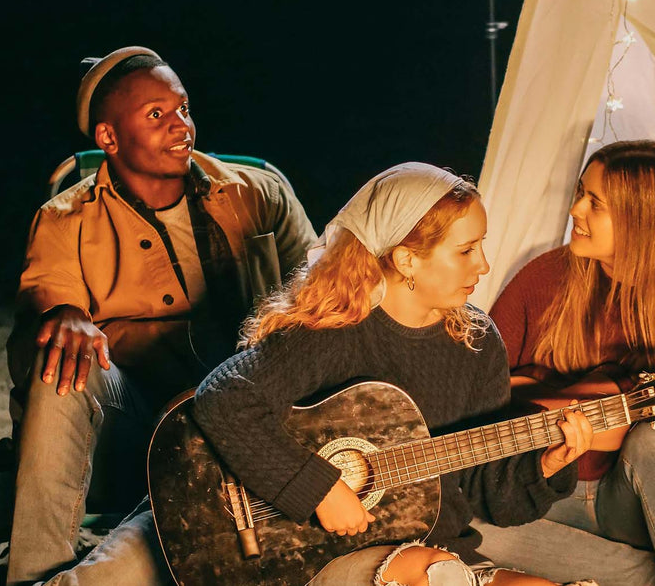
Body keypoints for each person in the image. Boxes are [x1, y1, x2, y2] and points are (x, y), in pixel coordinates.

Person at [192, 163, 599, 586]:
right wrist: (320, 490)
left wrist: (547, 464)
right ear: (407, 259)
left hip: (436, 553)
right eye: (465, 250)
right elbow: (224, 399)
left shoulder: (477, 343)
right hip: (324, 554)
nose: (484, 265)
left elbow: (483, 493)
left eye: (481, 246)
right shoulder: (332, 330)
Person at [4, 46, 318, 585]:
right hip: (137, 424)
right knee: (63, 361)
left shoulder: (257, 196)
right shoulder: (66, 220)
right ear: (108, 138)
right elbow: (48, 297)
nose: (182, 127)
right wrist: (66, 313)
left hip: (247, 418)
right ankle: (34, 574)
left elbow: (321, 296)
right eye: (157, 116)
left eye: (184, 109)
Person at [474, 140, 655, 586]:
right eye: (581, 192)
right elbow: (485, 393)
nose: (575, 209)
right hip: (548, 498)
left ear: (642, 218)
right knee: (461, 528)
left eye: (594, 203)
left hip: (639, 505)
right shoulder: (542, 279)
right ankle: (653, 578)